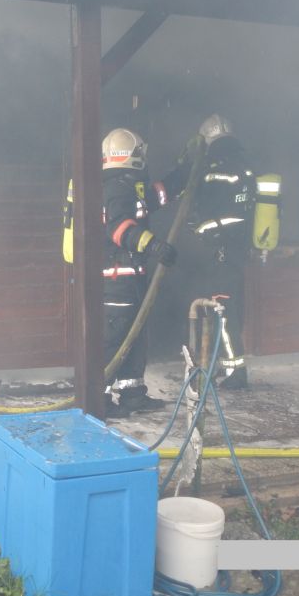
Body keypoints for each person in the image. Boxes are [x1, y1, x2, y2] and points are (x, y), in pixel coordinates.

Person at [101, 127, 192, 417]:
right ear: (135, 156)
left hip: (131, 277)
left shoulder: (128, 186)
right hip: (116, 279)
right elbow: (118, 228)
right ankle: (98, 398)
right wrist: (155, 246)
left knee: (135, 335)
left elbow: (155, 197)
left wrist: (183, 173)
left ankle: (132, 395)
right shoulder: (115, 188)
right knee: (115, 338)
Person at [188, 114, 255, 390]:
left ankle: (235, 372)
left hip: (222, 252)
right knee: (227, 309)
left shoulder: (215, 170)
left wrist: (199, 229)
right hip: (235, 251)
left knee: (223, 311)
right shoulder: (242, 166)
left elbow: (209, 210)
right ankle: (223, 365)